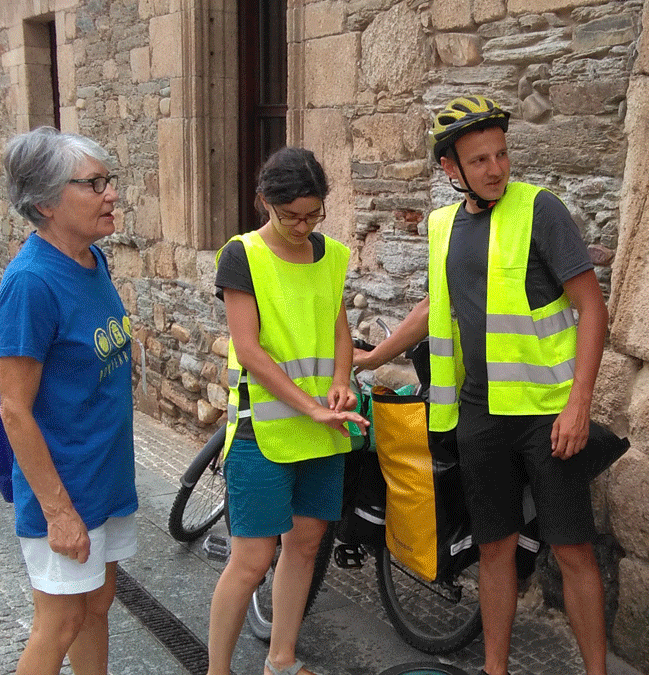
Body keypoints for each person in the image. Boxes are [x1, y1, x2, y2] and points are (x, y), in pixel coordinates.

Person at [355, 96, 611, 675]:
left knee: (571, 549)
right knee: (493, 548)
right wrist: (375, 359)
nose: (495, 168)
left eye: (501, 154)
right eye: (479, 160)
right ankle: (494, 669)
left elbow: (591, 309)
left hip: (548, 413)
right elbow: (432, 307)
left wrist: (579, 405)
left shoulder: (540, 210)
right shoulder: (444, 225)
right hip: (479, 415)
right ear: (451, 168)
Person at [205, 147, 367, 675]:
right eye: (290, 214)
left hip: (322, 429)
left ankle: (282, 659)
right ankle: (218, 670)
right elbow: (248, 348)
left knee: (305, 545)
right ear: (264, 203)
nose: (302, 225)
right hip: (262, 430)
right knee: (252, 559)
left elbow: (340, 330)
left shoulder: (333, 256)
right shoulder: (241, 255)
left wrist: (341, 383)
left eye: (313, 214)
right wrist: (308, 407)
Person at [0, 127, 137, 675]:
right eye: (94, 184)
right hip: (64, 488)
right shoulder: (31, 283)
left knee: (97, 605)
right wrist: (58, 512)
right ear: (47, 203)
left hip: (103, 477)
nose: (112, 193)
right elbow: (14, 409)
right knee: (59, 624)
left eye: (109, 180)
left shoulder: (91, 261)